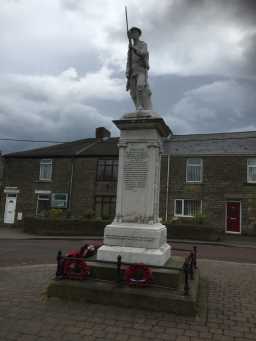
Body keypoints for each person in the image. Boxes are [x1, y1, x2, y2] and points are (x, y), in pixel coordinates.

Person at [126, 27, 152, 111]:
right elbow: (128, 61)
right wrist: (127, 71)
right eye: (132, 33)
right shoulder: (130, 48)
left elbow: (143, 53)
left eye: (135, 33)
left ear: (138, 34)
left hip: (141, 70)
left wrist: (133, 48)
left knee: (140, 86)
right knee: (133, 92)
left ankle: (140, 105)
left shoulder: (143, 44)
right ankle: (137, 106)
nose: (134, 34)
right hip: (132, 72)